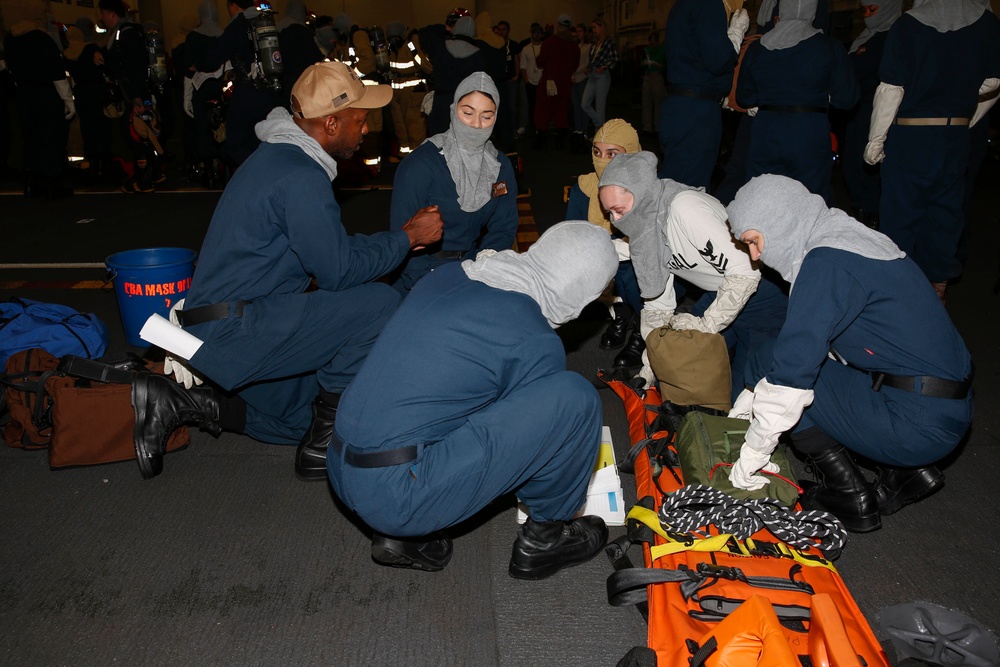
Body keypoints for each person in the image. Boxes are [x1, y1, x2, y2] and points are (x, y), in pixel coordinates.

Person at [130, 61, 444, 480]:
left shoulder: (279, 157)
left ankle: (184, 402)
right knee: (382, 304)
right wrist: (406, 238)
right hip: (234, 329)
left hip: (219, 320)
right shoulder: (301, 177)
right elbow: (336, 272)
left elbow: (331, 251)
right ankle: (320, 451)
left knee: (303, 416)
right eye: (360, 118)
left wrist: (398, 238)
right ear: (331, 123)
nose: (366, 128)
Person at [327, 221, 619, 577]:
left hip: (339, 463)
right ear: (581, 291)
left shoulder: (452, 274)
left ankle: (406, 529)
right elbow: (533, 442)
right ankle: (544, 541)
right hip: (396, 495)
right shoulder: (534, 340)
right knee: (574, 400)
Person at [725, 174, 973, 533]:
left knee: (770, 361)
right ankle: (901, 473)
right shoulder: (853, 239)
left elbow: (789, 380)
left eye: (754, 241)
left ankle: (848, 493)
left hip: (918, 424)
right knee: (808, 358)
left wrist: (752, 452)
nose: (755, 256)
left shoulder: (825, 264)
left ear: (778, 223)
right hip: (946, 404)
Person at [597, 152, 787, 399]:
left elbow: (745, 271)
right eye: (610, 213)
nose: (616, 220)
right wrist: (650, 368)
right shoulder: (647, 231)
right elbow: (658, 308)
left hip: (763, 296)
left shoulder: (684, 208)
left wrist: (707, 326)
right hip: (720, 292)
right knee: (678, 359)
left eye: (619, 210)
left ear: (641, 192)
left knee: (743, 392)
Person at [864, 0, 1000, 303]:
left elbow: (891, 89)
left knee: (901, 213)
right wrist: (962, 110)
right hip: (953, 136)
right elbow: (994, 81)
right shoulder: (987, 23)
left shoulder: (909, 24)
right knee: (945, 213)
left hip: (911, 135)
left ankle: (896, 294)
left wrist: (876, 140)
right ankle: (936, 289)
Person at [389, 72, 518, 294]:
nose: (476, 125)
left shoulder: (500, 167)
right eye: (467, 113)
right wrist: (425, 286)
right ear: (453, 110)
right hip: (423, 273)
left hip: (472, 267)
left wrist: (487, 263)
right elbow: (401, 238)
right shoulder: (421, 165)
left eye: (486, 116)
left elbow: (503, 226)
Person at [736, 0, 859, 205]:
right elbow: (847, 99)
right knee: (809, 201)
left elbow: (744, 97)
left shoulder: (758, 48)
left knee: (761, 198)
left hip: (766, 131)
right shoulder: (828, 46)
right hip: (808, 129)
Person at [565, 120, 643, 359]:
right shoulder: (585, 187)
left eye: (612, 154)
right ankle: (621, 315)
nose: (602, 160)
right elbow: (573, 231)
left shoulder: (646, 189)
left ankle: (643, 329)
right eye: (597, 152)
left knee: (632, 275)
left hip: (636, 257)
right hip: (603, 254)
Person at [658, 0, 749, 187]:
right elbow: (719, 59)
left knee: (673, 185)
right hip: (697, 110)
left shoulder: (682, 5)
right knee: (689, 191)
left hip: (679, 104)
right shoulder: (708, 3)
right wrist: (735, 36)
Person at [841, 0, 903, 229]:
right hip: (858, 112)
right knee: (853, 165)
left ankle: (874, 216)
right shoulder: (865, 37)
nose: (867, 15)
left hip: (881, 110)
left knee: (873, 168)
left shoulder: (895, 36)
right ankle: (861, 211)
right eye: (864, 10)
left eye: (873, 9)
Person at [4, 0, 74, 199]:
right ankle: (52, 184)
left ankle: (30, 183)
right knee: (51, 138)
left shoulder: (11, 37)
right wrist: (68, 100)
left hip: (23, 94)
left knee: (30, 138)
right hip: (45, 94)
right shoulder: (41, 37)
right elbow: (56, 72)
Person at [533, 14, 579, 149]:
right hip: (564, 83)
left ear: (558, 26)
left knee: (543, 111)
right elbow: (575, 66)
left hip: (549, 83)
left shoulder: (550, 41)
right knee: (561, 112)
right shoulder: (574, 45)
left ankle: (541, 141)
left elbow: (541, 61)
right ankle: (560, 142)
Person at [580, 19, 618, 133]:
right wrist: (588, 68)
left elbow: (615, 60)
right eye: (593, 28)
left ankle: (599, 131)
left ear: (602, 28)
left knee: (600, 107)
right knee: (585, 104)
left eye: (595, 27)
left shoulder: (609, 43)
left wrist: (604, 67)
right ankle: (601, 125)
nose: (593, 30)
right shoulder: (595, 43)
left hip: (602, 76)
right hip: (593, 75)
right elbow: (593, 60)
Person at [518, 23, 544, 137]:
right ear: (531, 33)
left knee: (541, 105)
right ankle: (530, 127)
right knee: (530, 105)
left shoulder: (545, 47)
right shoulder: (526, 48)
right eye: (534, 32)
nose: (537, 35)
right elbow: (522, 66)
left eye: (539, 32)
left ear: (542, 34)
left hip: (542, 81)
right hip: (530, 81)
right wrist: (526, 80)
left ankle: (541, 127)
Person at [640, 31, 666, 136]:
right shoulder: (647, 50)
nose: (653, 45)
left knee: (658, 102)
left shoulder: (662, 49)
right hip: (648, 76)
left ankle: (658, 127)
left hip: (657, 76)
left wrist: (655, 63)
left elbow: (663, 64)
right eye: (651, 43)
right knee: (646, 102)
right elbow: (642, 63)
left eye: (654, 43)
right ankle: (647, 127)